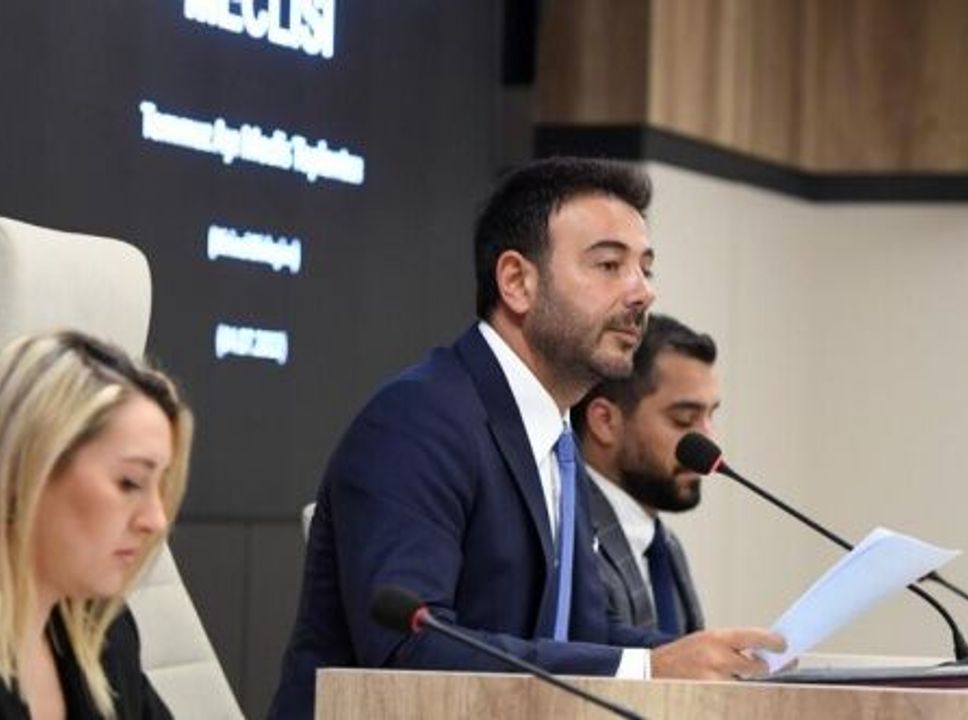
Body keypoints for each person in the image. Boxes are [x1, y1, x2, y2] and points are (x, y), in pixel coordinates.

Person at [271, 158, 783, 718]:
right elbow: (408, 650)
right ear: (517, 282)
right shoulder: (416, 421)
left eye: (645, 268)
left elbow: (581, 632)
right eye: (609, 265)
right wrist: (647, 668)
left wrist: (704, 658)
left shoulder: (555, 438)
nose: (643, 293)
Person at [0, 330, 192, 719]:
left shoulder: (104, 636)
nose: (156, 520)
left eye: (160, 486)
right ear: (28, 469)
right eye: (130, 483)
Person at [571, 314, 717, 636]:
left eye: (710, 417)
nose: (708, 440)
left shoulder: (665, 546)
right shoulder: (569, 537)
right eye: (684, 419)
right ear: (605, 421)